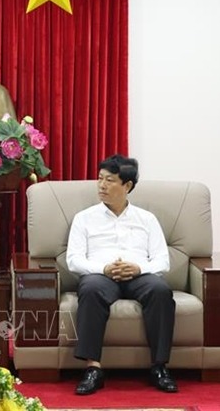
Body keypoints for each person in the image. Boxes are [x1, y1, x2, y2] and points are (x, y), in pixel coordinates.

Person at [66, 154, 178, 395]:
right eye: (99, 179)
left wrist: (139, 268)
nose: (102, 185)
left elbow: (162, 261)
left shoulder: (147, 219)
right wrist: (103, 269)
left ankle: (159, 367)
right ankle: (93, 369)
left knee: (160, 290)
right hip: (100, 275)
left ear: (127, 186)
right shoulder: (84, 218)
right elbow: (74, 260)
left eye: (109, 180)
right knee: (91, 289)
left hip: (139, 275)